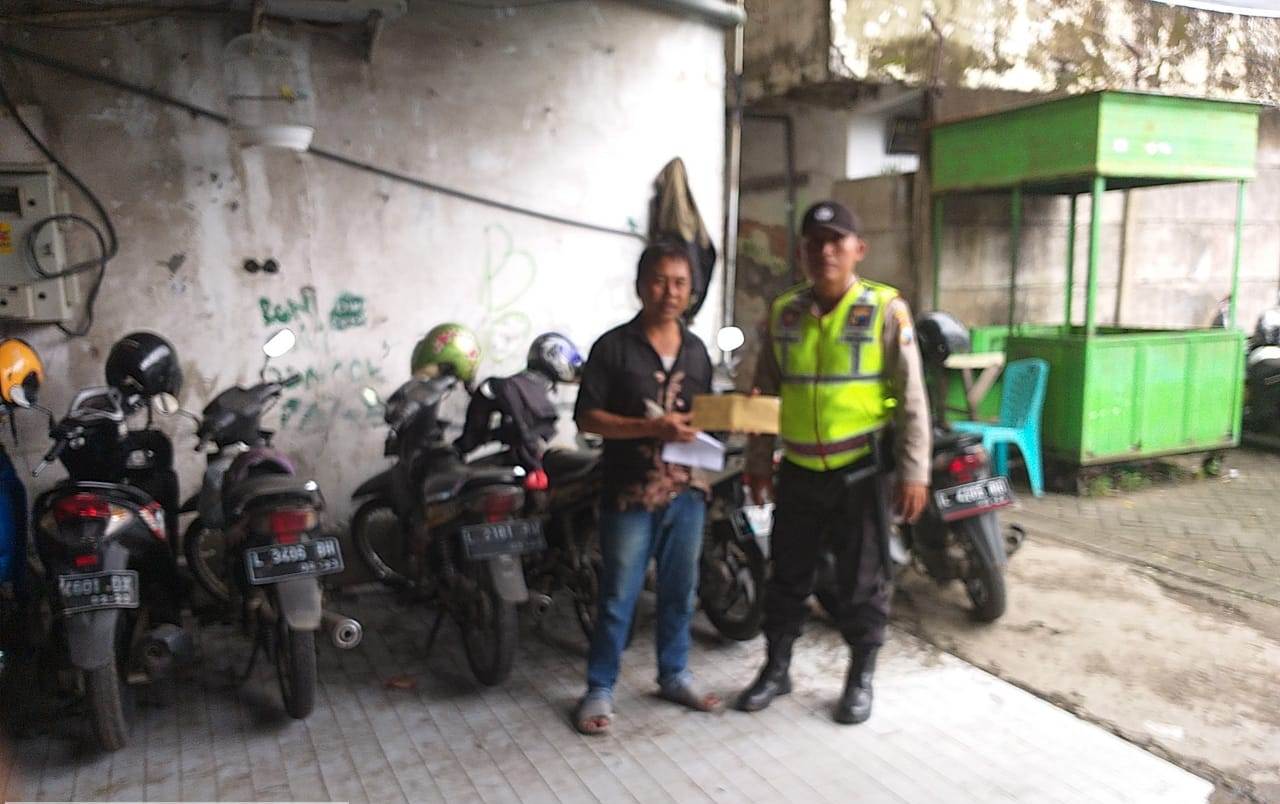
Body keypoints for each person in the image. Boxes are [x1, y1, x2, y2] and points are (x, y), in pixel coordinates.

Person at [736, 200, 931, 724]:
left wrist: (914, 472)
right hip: (799, 470)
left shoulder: (885, 310)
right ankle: (776, 669)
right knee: (786, 575)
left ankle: (860, 678)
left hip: (860, 472)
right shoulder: (784, 313)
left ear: (857, 249)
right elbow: (764, 397)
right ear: (802, 251)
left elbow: (912, 399)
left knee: (863, 581)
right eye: (815, 242)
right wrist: (758, 464)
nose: (825, 251)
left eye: (835, 241)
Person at [571, 240, 719, 735]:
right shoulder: (613, 347)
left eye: (680, 283)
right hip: (629, 493)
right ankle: (599, 687)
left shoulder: (697, 351)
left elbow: (705, 415)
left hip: (688, 492)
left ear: (691, 291)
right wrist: (649, 428)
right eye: (659, 280)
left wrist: (739, 411)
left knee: (680, 591)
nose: (669, 292)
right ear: (640, 286)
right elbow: (588, 417)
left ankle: (674, 674)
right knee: (619, 595)